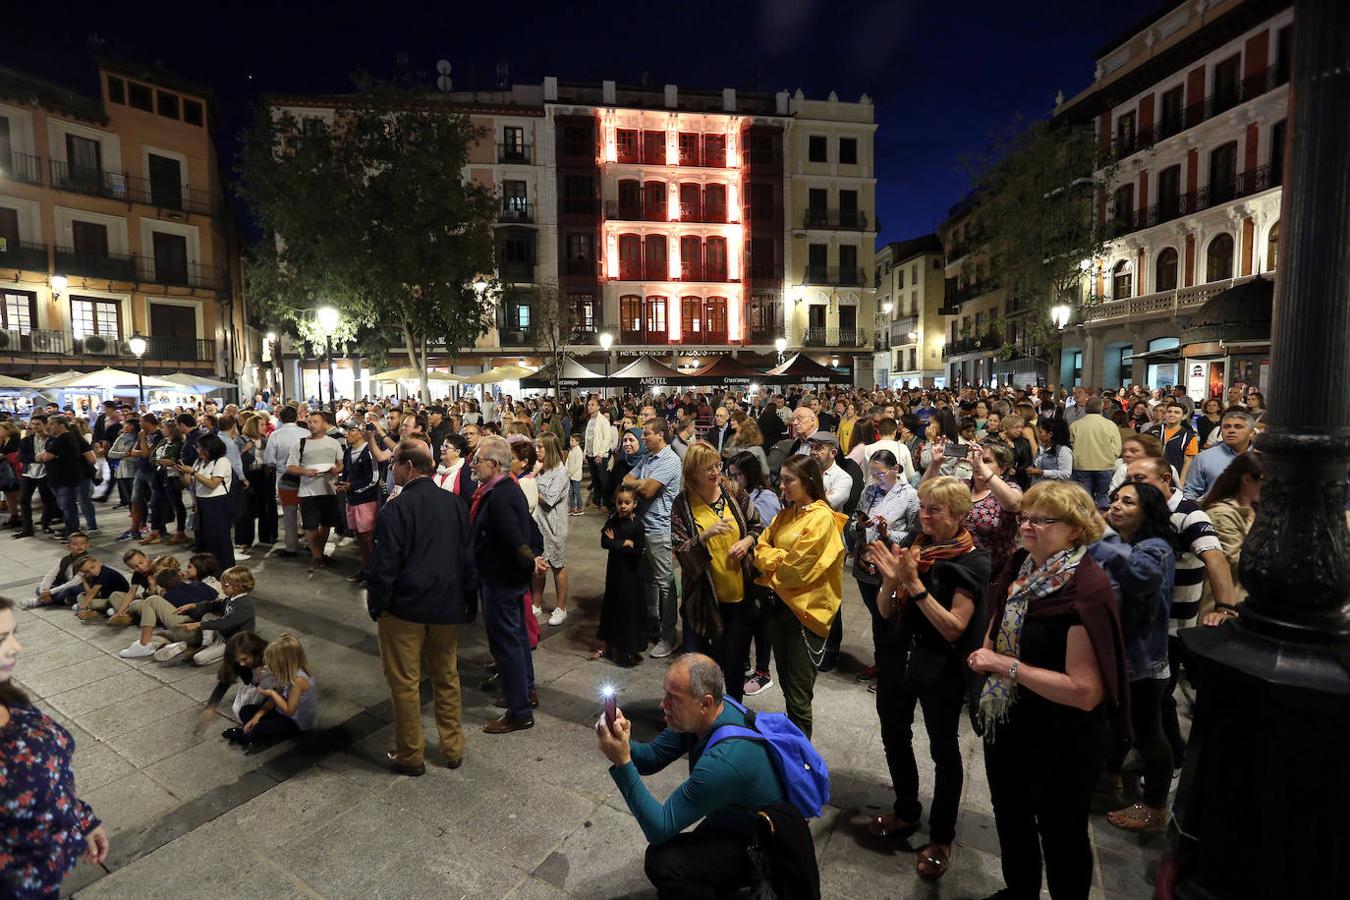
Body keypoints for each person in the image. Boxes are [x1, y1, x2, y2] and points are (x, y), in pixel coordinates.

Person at [968, 481, 1127, 900]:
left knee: (1061, 833)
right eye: (1026, 518)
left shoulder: (1084, 590)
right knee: (1011, 817)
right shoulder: (1025, 562)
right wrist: (986, 648)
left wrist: (1004, 665)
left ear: (1075, 529)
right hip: (1011, 721)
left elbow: (1085, 691)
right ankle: (1019, 890)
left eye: (1043, 520)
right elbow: (1002, 609)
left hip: (1062, 735)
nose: (1028, 526)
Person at [866, 475, 990, 879]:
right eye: (922, 506)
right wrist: (889, 581)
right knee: (894, 735)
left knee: (943, 750)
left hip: (940, 669)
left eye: (933, 509)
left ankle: (941, 836)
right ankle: (906, 812)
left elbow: (954, 627)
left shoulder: (971, 560)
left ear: (958, 515)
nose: (923, 515)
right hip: (899, 659)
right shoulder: (921, 544)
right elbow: (886, 612)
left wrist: (915, 583)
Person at [595, 653, 792, 899]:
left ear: (705, 703)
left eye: (673, 699)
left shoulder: (724, 763)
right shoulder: (708, 712)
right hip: (731, 820)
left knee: (663, 864)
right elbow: (652, 757)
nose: (662, 705)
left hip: (761, 847)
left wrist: (623, 762)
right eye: (665, 694)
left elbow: (659, 828)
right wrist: (624, 743)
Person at [366, 440, 473, 774]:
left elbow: (384, 565)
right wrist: (468, 601)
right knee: (446, 677)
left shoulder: (396, 508)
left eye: (395, 462)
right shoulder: (454, 504)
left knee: (405, 682)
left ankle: (411, 754)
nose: (392, 467)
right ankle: (453, 747)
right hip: (446, 606)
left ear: (409, 466)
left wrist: (377, 605)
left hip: (405, 609)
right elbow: (467, 557)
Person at [1124, 455, 1234, 759]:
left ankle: (1168, 762)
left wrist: (1225, 608)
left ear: (1165, 480)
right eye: (1129, 478)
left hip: (1171, 627)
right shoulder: (1141, 511)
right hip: (1141, 623)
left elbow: (1215, 558)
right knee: (1151, 699)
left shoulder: (1189, 514)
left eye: (1140, 479)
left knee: (1156, 700)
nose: (1131, 485)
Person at [0, 596, 111, 895]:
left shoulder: (9, 697)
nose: (15, 647)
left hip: (48, 872)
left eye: (13, 634)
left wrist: (83, 820)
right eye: (1, 639)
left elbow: (53, 776)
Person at [1090, 481, 1177, 833]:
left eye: (1128, 501)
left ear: (1148, 511)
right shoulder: (1126, 543)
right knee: (1116, 721)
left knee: (1147, 732)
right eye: (1115, 499)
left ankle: (1155, 804)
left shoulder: (1154, 549)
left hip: (1142, 660)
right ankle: (1109, 775)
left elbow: (1140, 579)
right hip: (1118, 654)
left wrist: (1100, 538)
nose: (1117, 506)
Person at [752, 455, 845, 738]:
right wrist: (779, 557)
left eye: (788, 480)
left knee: (799, 695)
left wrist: (773, 559)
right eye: (780, 479)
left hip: (807, 614)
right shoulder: (788, 514)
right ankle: (793, 751)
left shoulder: (822, 519)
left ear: (808, 481)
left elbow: (796, 571)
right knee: (789, 686)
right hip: (780, 608)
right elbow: (759, 546)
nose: (781, 486)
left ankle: (802, 766)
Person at [670, 441, 764, 699]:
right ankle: (697, 719)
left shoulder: (733, 491)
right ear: (691, 473)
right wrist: (705, 536)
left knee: (734, 667)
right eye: (706, 468)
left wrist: (746, 542)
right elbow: (679, 550)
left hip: (738, 598)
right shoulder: (682, 504)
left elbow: (758, 525)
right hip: (701, 602)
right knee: (697, 669)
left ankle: (731, 719)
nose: (714, 472)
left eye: (716, 465)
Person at [469, 434, 539, 734]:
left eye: (478, 461)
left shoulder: (500, 495)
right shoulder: (503, 488)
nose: (473, 465)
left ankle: (519, 711)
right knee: (517, 639)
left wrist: (530, 559)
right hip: (506, 578)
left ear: (494, 464)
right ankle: (525, 692)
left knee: (506, 643)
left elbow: (516, 538)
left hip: (501, 580)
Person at [623, 418, 683, 659]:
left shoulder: (670, 460)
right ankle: (652, 624)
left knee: (664, 583)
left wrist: (642, 485)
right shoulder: (648, 458)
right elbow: (626, 480)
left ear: (660, 435)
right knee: (648, 580)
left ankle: (669, 636)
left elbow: (648, 491)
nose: (642, 438)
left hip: (659, 529)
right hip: (642, 527)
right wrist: (643, 483)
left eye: (646, 434)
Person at [1198, 451, 1262, 625]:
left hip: (1246, 600)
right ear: (1247, 479)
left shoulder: (1253, 509)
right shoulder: (1221, 513)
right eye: (1266, 481)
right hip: (1226, 605)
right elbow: (1236, 562)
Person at [222, 633, 316, 749]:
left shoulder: (299, 680)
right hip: (281, 713)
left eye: (272, 662)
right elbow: (279, 698)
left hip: (295, 722)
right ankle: (258, 733)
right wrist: (257, 716)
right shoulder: (287, 675)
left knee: (257, 730)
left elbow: (290, 711)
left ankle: (246, 736)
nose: (269, 665)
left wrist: (272, 693)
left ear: (283, 662)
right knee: (246, 711)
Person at [285, 412, 344, 572]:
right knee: (310, 525)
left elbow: (340, 464)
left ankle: (320, 553)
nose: (311, 424)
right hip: (308, 491)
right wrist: (305, 472)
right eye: (309, 422)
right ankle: (317, 556)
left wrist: (335, 470)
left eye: (315, 421)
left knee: (326, 524)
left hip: (328, 489)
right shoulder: (300, 444)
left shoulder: (334, 443)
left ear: (323, 423)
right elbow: (290, 467)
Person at [595, 484, 647, 667]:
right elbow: (604, 541)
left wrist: (617, 544)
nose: (623, 506)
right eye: (619, 502)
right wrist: (623, 543)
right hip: (616, 575)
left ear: (634, 504)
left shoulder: (637, 526)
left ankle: (630, 648)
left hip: (632, 576)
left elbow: (638, 551)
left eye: (627, 502)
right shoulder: (613, 522)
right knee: (614, 611)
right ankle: (614, 646)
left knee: (631, 613)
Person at [179, 434, 235, 569]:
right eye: (197, 447)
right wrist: (182, 473)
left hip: (217, 503)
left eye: (200, 447)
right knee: (204, 539)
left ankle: (225, 569)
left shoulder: (221, 461)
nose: (198, 450)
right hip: (201, 502)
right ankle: (209, 569)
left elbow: (213, 484)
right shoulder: (199, 462)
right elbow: (189, 483)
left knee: (219, 539)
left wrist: (193, 473)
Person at [336, 421, 383, 582]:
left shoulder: (369, 451)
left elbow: (373, 479)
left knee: (368, 538)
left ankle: (373, 573)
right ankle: (365, 568)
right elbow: (347, 473)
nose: (347, 433)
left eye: (352, 430)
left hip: (366, 501)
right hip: (352, 500)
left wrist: (352, 486)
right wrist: (343, 484)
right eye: (347, 430)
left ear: (362, 433)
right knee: (359, 538)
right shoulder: (348, 451)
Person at [534, 433, 572, 626]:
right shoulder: (538, 468)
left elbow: (549, 498)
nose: (537, 450)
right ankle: (536, 603)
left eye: (541, 447)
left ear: (550, 449)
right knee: (539, 567)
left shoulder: (560, 472)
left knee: (557, 566)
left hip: (554, 526)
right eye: (536, 447)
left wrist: (530, 484)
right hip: (537, 525)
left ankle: (561, 608)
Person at [263, 405, 309, 558]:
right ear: (296, 417)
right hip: (307, 478)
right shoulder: (307, 432)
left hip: (285, 479)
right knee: (307, 512)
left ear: (280, 418)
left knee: (289, 514)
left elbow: (269, 460)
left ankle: (291, 547)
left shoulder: (276, 435)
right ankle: (310, 543)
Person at [1182, 409, 1256, 500]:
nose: (1231, 430)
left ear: (1252, 433)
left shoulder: (1263, 458)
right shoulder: (1204, 458)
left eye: (1238, 427)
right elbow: (1191, 492)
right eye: (1226, 427)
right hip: (1214, 511)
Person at [1068, 397, 1122, 509]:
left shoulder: (1075, 425)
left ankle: (1085, 523)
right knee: (1102, 497)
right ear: (1101, 408)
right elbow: (1117, 447)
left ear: (1086, 408)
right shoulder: (1110, 425)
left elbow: (1070, 446)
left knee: (1084, 500)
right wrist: (1110, 457)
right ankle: (1101, 523)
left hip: (1081, 466)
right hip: (1105, 465)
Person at [21, 531, 89, 609]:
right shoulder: (64, 560)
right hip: (64, 584)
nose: (79, 546)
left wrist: (49, 592)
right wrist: (44, 591)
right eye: (75, 544)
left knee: (68, 590)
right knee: (39, 588)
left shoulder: (87, 561)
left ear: (87, 545)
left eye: (83, 543)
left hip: (81, 587)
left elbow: (74, 582)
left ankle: (41, 601)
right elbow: (50, 576)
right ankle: (66, 599)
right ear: (68, 546)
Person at [809, 431, 857, 514]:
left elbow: (828, 504)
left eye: (819, 448)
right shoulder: (805, 471)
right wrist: (822, 496)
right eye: (812, 447)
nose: (813, 452)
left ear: (833, 453)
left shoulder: (842, 478)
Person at [72, 555, 131, 622]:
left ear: (98, 562)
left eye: (92, 567)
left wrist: (82, 608)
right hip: (106, 599)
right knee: (81, 595)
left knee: (113, 595)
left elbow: (93, 592)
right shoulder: (94, 575)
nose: (91, 572)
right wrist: (84, 580)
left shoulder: (105, 572)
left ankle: (122, 613)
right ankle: (92, 611)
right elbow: (89, 593)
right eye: (87, 572)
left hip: (121, 598)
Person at [1156, 400, 1200, 486]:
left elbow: (1187, 463)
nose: (1172, 414)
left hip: (1172, 480)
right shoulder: (1155, 430)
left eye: (1177, 412)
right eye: (1169, 411)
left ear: (1183, 417)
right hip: (1151, 476)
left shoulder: (1188, 436)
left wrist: (1180, 484)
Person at [583, 397, 615, 509]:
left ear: (598, 407)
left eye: (592, 404)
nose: (589, 407)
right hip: (591, 454)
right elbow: (588, 438)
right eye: (588, 405)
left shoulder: (603, 420)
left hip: (600, 455)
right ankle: (596, 502)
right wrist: (585, 453)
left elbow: (606, 438)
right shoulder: (590, 420)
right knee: (595, 479)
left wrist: (600, 454)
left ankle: (607, 502)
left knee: (603, 480)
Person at [1027, 416, 1073, 484]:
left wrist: (1041, 472)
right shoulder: (1042, 447)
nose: (1039, 435)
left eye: (1041, 432)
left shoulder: (1063, 450)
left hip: (1053, 489)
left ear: (1050, 434)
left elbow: (1066, 473)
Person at [566, 432, 585, 515]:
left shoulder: (578, 451)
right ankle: (572, 507)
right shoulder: (571, 450)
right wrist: (566, 470)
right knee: (570, 492)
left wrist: (570, 473)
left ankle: (580, 507)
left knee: (576, 492)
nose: (570, 442)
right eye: (570, 440)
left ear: (577, 442)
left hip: (575, 475)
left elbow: (577, 465)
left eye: (572, 440)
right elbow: (567, 461)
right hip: (569, 474)